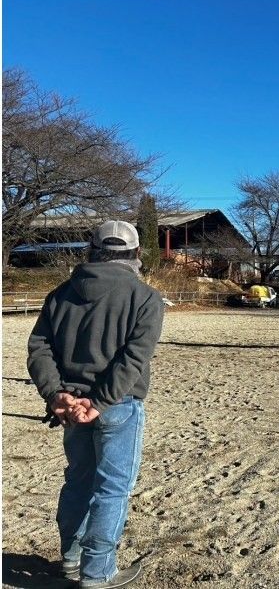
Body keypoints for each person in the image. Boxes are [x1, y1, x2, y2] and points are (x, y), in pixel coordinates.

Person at [27, 220, 165, 588]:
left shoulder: (60, 293)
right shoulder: (146, 298)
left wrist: (57, 394)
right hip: (116, 405)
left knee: (78, 482)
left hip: (69, 406)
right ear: (136, 253)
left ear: (92, 250)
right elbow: (133, 359)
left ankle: (70, 559)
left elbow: (39, 348)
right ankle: (98, 572)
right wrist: (99, 401)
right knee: (112, 488)